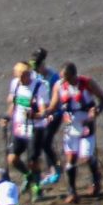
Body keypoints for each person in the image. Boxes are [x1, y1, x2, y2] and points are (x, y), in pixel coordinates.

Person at [45, 62, 103, 203]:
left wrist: (96, 111)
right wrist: (43, 114)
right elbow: (53, 106)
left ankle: (95, 178)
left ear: (74, 75)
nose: (64, 81)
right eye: (62, 78)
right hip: (70, 127)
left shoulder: (87, 83)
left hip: (86, 125)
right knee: (71, 161)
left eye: (66, 78)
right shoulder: (59, 86)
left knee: (86, 157)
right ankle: (72, 192)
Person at [2, 61, 50, 200]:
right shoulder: (15, 84)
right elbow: (14, 104)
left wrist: (34, 115)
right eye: (18, 77)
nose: (20, 80)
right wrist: (7, 117)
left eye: (22, 76)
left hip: (35, 127)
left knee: (32, 160)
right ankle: (28, 175)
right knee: (12, 158)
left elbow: (44, 111)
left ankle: (37, 187)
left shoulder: (39, 87)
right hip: (19, 126)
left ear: (28, 74)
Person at [31, 48, 63, 187]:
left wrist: (49, 111)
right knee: (42, 144)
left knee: (46, 142)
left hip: (55, 114)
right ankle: (53, 168)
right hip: (42, 114)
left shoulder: (53, 77)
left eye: (38, 69)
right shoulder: (35, 76)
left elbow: (58, 99)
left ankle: (56, 169)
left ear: (43, 65)